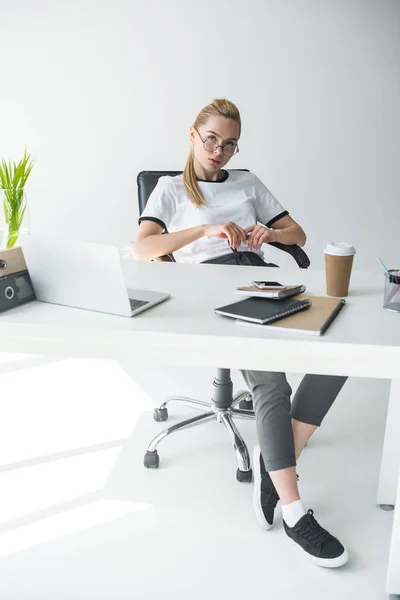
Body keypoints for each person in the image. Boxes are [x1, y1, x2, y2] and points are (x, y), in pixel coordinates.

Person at [133, 99, 349, 568]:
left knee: (344, 350)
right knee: (272, 383)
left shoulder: (248, 183)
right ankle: (293, 512)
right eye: (211, 139)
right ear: (193, 135)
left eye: (229, 144)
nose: (219, 151)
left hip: (262, 282)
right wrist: (204, 231)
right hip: (209, 296)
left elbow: (300, 236)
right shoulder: (169, 190)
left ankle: (275, 462)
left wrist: (269, 236)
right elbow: (142, 248)